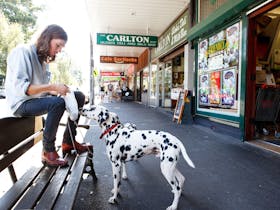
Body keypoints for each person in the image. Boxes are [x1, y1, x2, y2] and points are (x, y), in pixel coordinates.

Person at [5, 24, 91, 167]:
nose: (58, 51)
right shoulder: (22, 52)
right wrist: (52, 87)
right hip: (20, 103)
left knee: (78, 96)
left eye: (61, 48)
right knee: (56, 103)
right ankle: (47, 151)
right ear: (47, 38)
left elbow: (43, 91)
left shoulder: (43, 62)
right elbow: (23, 89)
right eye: (57, 46)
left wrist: (60, 90)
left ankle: (68, 142)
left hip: (34, 100)